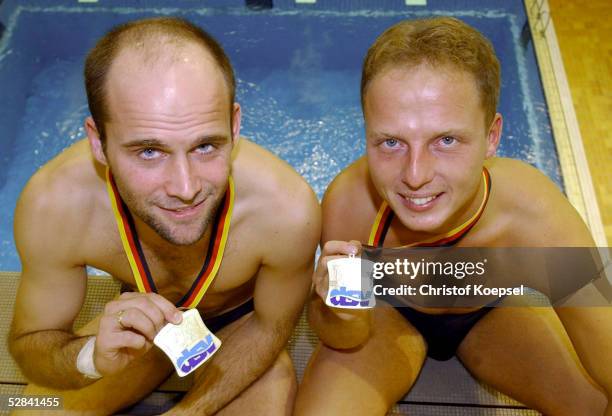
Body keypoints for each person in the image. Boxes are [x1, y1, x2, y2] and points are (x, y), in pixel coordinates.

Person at [294, 17, 611, 416]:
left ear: (491, 135)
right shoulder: (350, 206)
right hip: (389, 318)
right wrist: (338, 312)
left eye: (446, 140)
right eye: (391, 142)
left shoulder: (535, 216)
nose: (415, 175)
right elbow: (345, 335)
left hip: (491, 316)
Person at [9, 17, 320, 416]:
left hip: (244, 324)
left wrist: (187, 412)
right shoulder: (54, 205)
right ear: (98, 142)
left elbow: (269, 328)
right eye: (149, 152)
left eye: (206, 145)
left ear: (235, 125)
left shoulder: (286, 210)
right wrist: (91, 356)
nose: (185, 188)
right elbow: (32, 341)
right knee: (29, 411)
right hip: (141, 321)